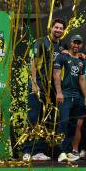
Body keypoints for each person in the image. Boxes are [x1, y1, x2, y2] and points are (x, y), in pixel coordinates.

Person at [23, 18, 66, 161]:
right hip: (38, 85)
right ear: (51, 28)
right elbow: (33, 63)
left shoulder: (61, 46)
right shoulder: (41, 42)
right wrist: (34, 83)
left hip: (52, 89)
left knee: (45, 119)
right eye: (56, 27)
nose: (58, 30)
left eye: (61, 28)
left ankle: (39, 151)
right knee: (33, 118)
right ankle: (27, 151)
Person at [53, 35, 86, 162]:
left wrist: (85, 96)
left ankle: (68, 151)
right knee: (63, 122)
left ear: (81, 45)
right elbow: (56, 75)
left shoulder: (81, 60)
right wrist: (59, 92)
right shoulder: (62, 56)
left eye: (79, 43)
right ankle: (60, 152)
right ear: (71, 43)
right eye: (74, 42)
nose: (76, 45)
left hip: (77, 97)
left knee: (74, 125)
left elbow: (82, 79)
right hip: (65, 95)